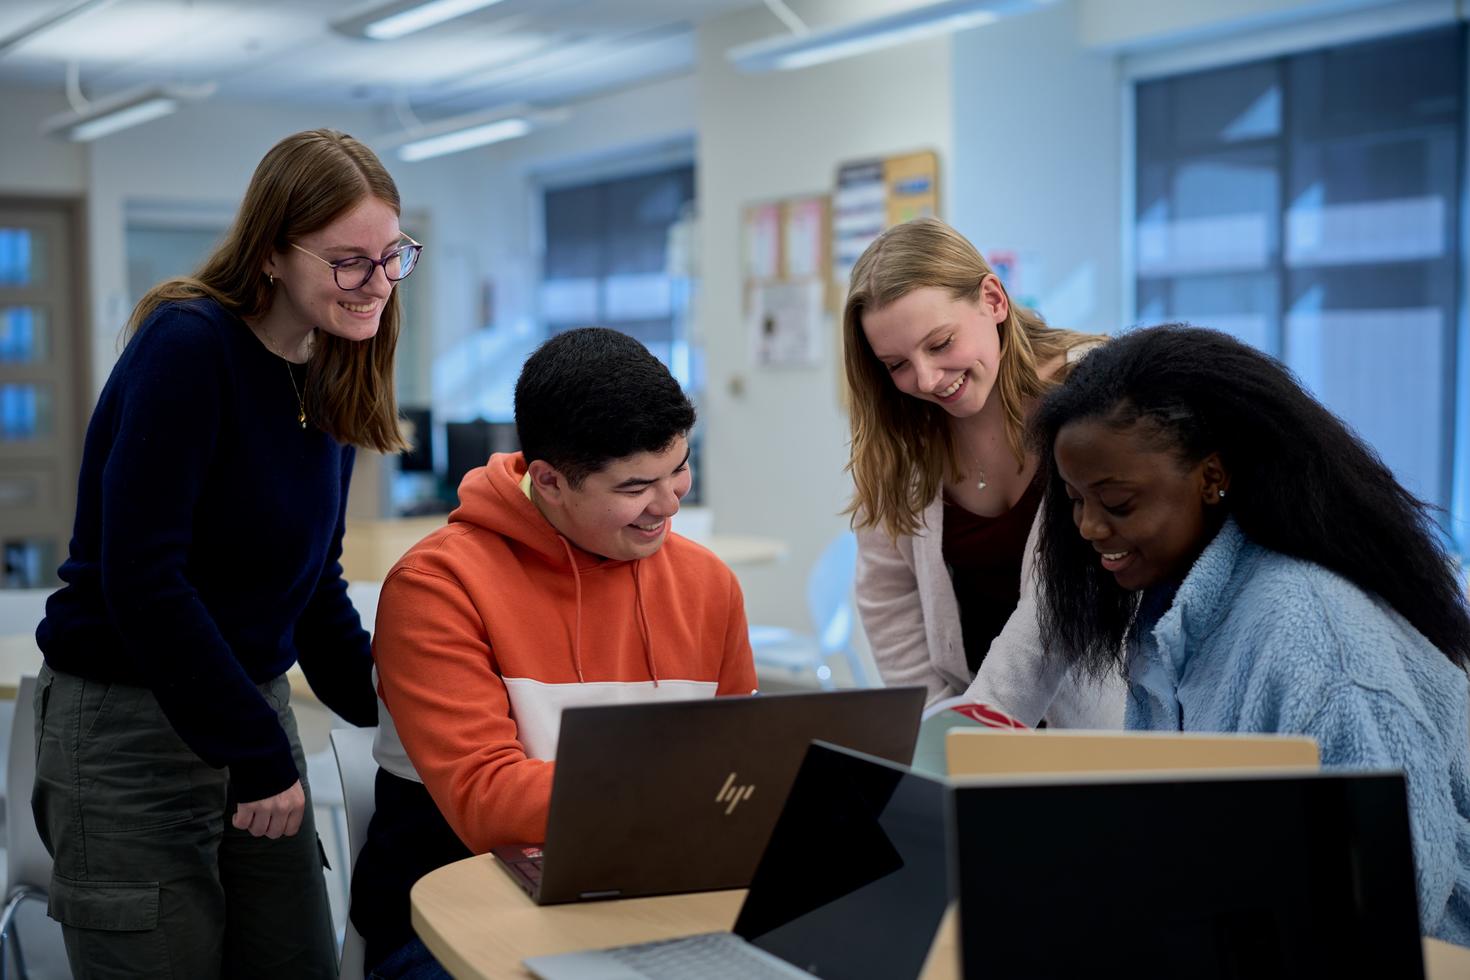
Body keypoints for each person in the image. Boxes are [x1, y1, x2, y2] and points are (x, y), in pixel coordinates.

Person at [31, 128, 417, 978]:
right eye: (349, 260)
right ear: (273, 253)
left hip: (247, 709)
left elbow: (313, 585)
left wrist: (407, 715)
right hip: (129, 724)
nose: (377, 284)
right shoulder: (189, 345)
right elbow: (144, 579)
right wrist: (257, 749)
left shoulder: (327, 362)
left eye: (393, 256)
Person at [1032, 324, 1470, 943]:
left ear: (1212, 477)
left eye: (1118, 503)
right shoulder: (1170, 614)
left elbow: (1390, 904)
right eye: (1075, 500)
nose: (1089, 527)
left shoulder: (1314, 637)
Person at [351, 327, 758, 977]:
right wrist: (689, 791)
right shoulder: (437, 587)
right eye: (634, 487)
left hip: (659, 905)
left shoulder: (709, 585)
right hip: (456, 923)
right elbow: (492, 805)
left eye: (679, 468)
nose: (669, 502)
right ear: (549, 481)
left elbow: (744, 767)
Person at [843, 216, 1122, 725]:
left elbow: (1058, 604)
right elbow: (888, 599)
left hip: (1099, 728)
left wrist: (979, 729)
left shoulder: (1094, 396)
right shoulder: (901, 437)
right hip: (972, 726)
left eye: (940, 343)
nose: (926, 379)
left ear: (993, 299)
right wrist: (936, 727)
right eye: (896, 364)